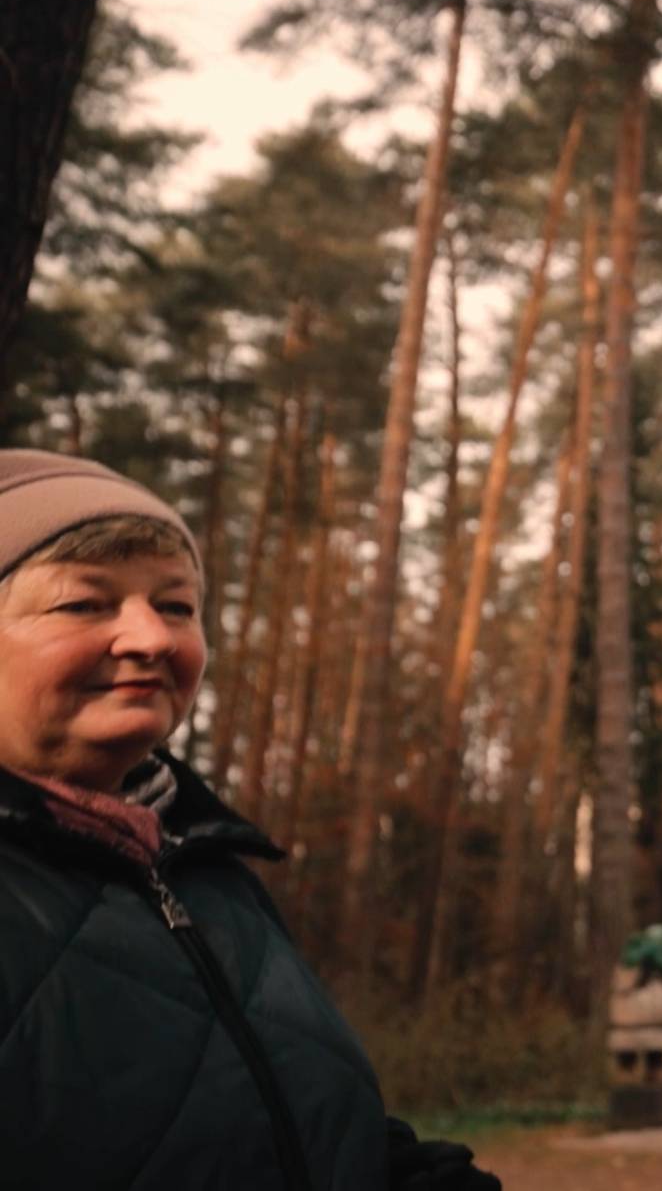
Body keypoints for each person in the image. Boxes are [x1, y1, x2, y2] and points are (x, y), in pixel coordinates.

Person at [0, 450, 498, 1190]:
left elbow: (294, 1122)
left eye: (176, 606)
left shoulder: (207, 872)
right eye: (84, 603)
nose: (152, 638)